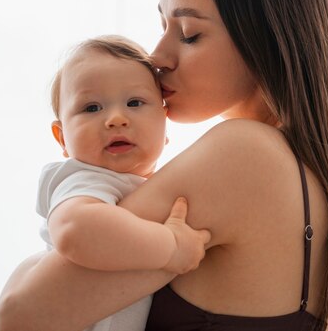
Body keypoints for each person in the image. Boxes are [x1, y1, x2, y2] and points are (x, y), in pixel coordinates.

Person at [0, 0, 328, 331]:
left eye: (189, 34)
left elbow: (18, 316)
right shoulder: (304, 169)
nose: (157, 56)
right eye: (163, 27)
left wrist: (30, 264)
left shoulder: (243, 153)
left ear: (266, 37)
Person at [36, 35, 210, 331]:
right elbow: (74, 230)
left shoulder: (151, 184)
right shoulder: (83, 179)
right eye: (91, 108)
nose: (116, 119)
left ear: (164, 122)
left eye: (134, 102)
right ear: (62, 138)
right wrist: (171, 247)